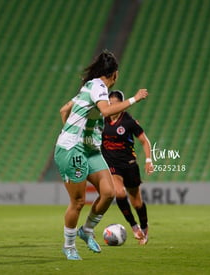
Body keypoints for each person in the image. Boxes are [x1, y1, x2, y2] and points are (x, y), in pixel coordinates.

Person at [54, 50, 148, 260]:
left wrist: (75, 129)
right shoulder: (98, 87)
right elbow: (106, 112)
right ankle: (69, 246)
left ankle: (86, 231)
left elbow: (63, 110)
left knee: (108, 192)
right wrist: (135, 98)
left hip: (90, 150)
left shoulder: (90, 88)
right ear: (115, 74)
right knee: (78, 202)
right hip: (73, 149)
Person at [101, 90, 153, 245]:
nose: (112, 107)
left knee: (136, 201)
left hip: (129, 164)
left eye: (115, 104)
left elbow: (145, 141)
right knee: (119, 193)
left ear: (122, 106)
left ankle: (144, 227)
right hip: (112, 165)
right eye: (109, 104)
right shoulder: (101, 120)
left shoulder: (128, 121)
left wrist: (149, 160)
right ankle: (134, 226)